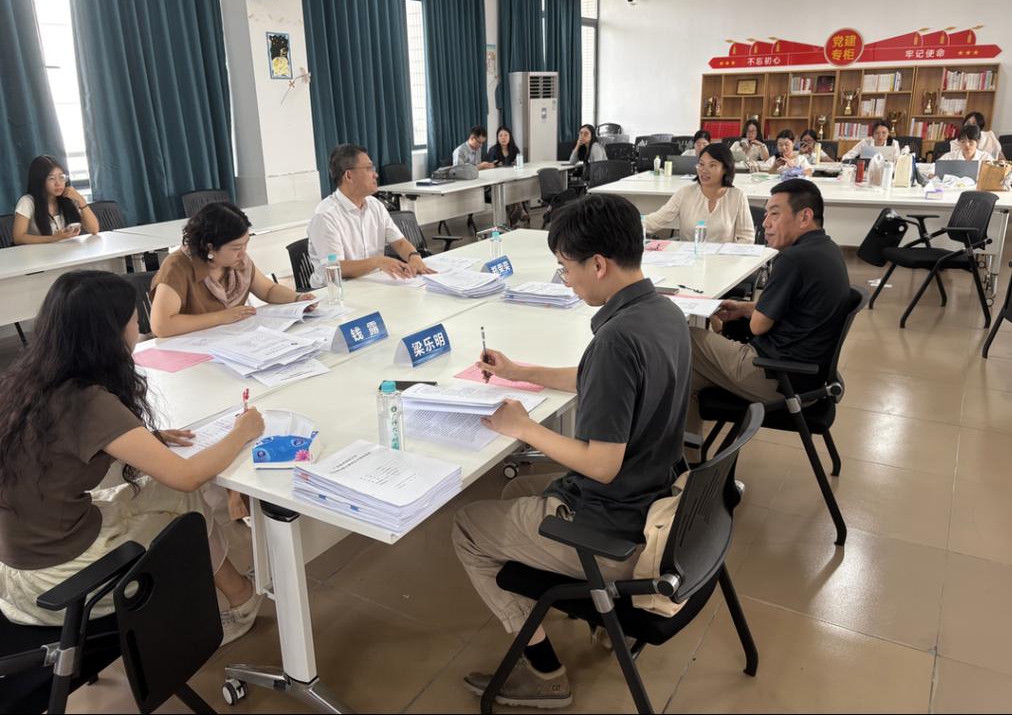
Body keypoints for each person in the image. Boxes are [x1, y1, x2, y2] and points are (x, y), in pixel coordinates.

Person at [453, 194, 691, 709]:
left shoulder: (616, 339)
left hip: (617, 531)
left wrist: (523, 427)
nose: (567, 281)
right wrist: (521, 372)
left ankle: (544, 671)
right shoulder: (664, 311)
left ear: (598, 264)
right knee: (517, 490)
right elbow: (598, 380)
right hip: (657, 500)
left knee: (468, 527)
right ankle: (590, 612)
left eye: (566, 268)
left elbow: (601, 465)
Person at [0, 271, 265, 643]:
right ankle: (239, 598)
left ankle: (238, 593)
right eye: (134, 322)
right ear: (108, 335)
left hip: (25, 557)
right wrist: (242, 432)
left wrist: (142, 440)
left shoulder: (30, 380)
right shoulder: (88, 402)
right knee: (186, 504)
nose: (139, 332)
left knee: (173, 494)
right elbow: (187, 476)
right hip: (55, 583)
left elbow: (60, 452)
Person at [684, 179, 849, 462]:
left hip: (776, 376)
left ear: (804, 217)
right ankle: (689, 462)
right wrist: (746, 308)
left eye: (775, 213)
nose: (766, 223)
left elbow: (758, 326)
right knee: (684, 378)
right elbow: (796, 308)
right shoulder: (827, 249)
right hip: (809, 377)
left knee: (684, 336)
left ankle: (679, 462)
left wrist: (750, 314)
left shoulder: (793, 259)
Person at [149, 202, 318, 338]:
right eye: (236, 248)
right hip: (189, 349)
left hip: (229, 340)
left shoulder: (237, 262)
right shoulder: (177, 267)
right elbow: (161, 325)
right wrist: (221, 317)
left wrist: (297, 298)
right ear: (210, 247)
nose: (243, 253)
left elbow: (268, 290)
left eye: (245, 244)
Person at [306, 143, 437, 286]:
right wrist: (377, 262)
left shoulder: (375, 206)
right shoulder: (325, 216)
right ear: (349, 175)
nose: (376, 174)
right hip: (337, 291)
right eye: (368, 169)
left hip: (372, 284)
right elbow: (335, 268)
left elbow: (399, 242)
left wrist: (414, 256)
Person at [643, 143, 755, 243]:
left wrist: (730, 255)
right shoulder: (684, 194)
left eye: (712, 165)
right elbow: (654, 222)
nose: (704, 170)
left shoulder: (737, 197)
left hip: (724, 258)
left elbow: (747, 237)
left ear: (725, 168)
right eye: (701, 164)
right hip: (688, 257)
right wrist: (632, 222)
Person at [13, 155, 100, 245]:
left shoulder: (69, 198)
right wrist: (53, 238)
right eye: (51, 178)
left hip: (66, 251)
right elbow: (19, 238)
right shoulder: (27, 202)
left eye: (61, 177)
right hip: (39, 253)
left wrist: (81, 200)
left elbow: (94, 230)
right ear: (39, 181)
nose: (58, 183)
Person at [487, 126, 530, 227]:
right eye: (500, 135)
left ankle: (515, 220)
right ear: (497, 138)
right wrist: (495, 165)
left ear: (510, 137)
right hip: (497, 183)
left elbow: (520, 164)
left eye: (506, 135)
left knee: (513, 189)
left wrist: (516, 164)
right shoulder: (493, 150)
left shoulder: (514, 149)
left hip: (512, 181)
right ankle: (520, 211)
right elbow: (489, 168)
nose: (503, 138)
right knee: (509, 191)